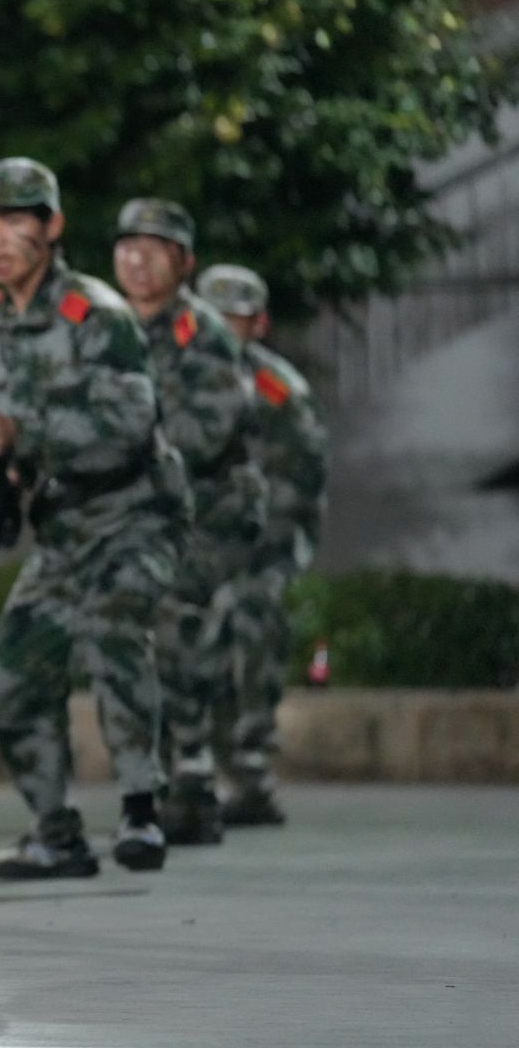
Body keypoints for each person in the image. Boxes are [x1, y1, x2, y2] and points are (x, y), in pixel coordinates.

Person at [0, 157, 188, 879]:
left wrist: (21, 431)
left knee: (116, 630)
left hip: (137, 511)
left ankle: (142, 809)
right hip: (61, 527)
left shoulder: (97, 312)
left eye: (14, 220)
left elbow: (130, 422)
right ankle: (55, 834)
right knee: (13, 681)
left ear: (52, 226)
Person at [110, 201, 266, 844]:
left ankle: (194, 772)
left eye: (155, 249)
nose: (138, 260)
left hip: (212, 510)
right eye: (128, 246)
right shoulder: (107, 325)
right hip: (142, 510)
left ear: (185, 263)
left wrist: (110, 445)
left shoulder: (205, 334)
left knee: (173, 612)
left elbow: (205, 434)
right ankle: (163, 768)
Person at [198, 263, 327, 825]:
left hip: (262, 542)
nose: (224, 329)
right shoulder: (172, 375)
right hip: (196, 541)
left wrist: (251, 549)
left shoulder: (277, 390)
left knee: (250, 618)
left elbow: (298, 482)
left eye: (236, 318)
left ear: (260, 324)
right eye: (213, 317)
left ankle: (248, 770)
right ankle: (183, 771)